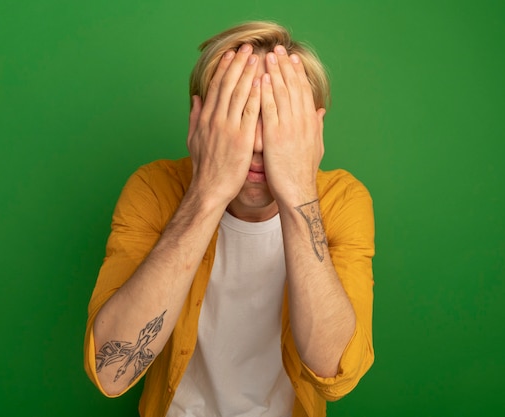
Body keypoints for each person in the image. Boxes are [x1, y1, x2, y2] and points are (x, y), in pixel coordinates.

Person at [84, 20, 375, 417]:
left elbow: (334, 372)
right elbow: (111, 370)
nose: (257, 143)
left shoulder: (343, 200)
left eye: (278, 118)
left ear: (314, 129)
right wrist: (207, 193)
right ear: (199, 119)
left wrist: (298, 192)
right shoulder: (153, 189)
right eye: (238, 113)